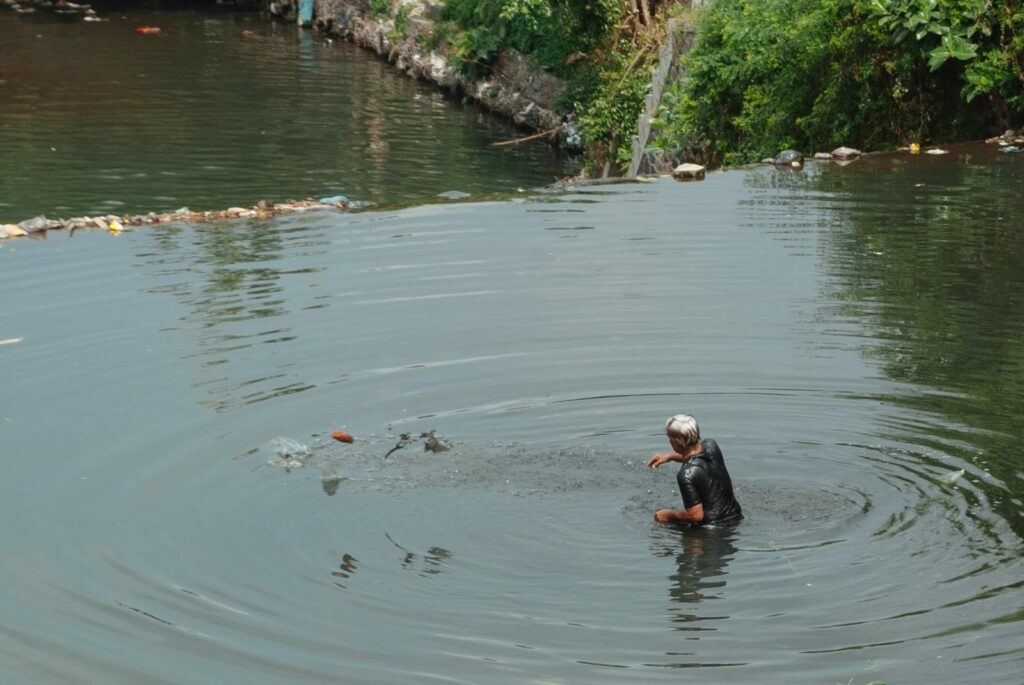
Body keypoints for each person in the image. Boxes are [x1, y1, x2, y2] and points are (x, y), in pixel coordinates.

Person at [647, 414, 742, 525]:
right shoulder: (711, 446)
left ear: (677, 440)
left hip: (711, 529)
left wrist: (668, 514)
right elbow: (695, 457)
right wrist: (669, 457)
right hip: (736, 517)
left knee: (659, 519)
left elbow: (695, 516)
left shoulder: (686, 475)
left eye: (670, 437)